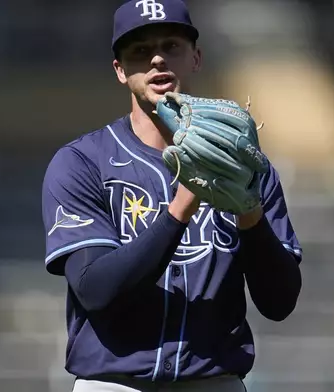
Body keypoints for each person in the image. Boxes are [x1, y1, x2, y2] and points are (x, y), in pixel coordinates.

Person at [41, 1, 303, 390]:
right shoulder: (82, 163)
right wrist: (183, 203)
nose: (158, 59)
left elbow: (279, 303)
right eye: (141, 51)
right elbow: (96, 290)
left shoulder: (245, 167)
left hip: (214, 382)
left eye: (172, 46)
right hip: (115, 385)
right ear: (120, 70)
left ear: (195, 57)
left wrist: (249, 213)